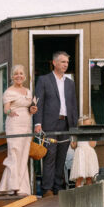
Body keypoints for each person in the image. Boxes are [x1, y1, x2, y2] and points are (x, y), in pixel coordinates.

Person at [33, 51, 79, 196]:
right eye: (62, 62)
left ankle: (58, 188)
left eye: (66, 62)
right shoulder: (44, 80)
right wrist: (37, 123)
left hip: (65, 124)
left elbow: (73, 106)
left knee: (62, 157)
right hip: (49, 124)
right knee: (50, 156)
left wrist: (74, 128)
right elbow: (38, 103)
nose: (65, 64)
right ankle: (47, 189)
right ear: (54, 63)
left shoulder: (70, 83)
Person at [0, 65, 37, 196]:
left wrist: (32, 110)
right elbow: (6, 109)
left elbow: (30, 108)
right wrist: (10, 112)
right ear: (12, 77)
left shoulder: (28, 91)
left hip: (26, 123)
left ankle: (22, 187)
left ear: (24, 76)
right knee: (14, 153)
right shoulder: (9, 91)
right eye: (16, 74)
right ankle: (12, 186)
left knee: (24, 153)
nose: (18, 76)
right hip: (14, 124)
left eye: (21, 73)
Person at [69, 116, 100, 187]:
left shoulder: (92, 134)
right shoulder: (78, 134)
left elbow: (92, 145)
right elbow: (73, 146)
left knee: (89, 177)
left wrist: (90, 135)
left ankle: (89, 192)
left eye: (89, 126)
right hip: (80, 154)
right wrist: (72, 142)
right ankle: (78, 191)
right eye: (85, 126)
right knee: (79, 176)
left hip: (89, 154)